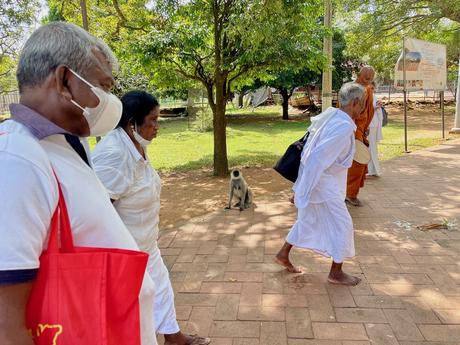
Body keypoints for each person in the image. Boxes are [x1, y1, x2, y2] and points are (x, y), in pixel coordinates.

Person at [0, 23, 157, 345]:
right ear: (64, 80)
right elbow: (7, 325)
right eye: (103, 86)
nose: (110, 101)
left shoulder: (65, 143)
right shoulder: (17, 161)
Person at [92, 91, 211, 345]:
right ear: (131, 123)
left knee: (161, 289)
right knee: (140, 308)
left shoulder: (135, 145)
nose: (157, 127)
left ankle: (173, 337)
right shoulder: (115, 154)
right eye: (152, 121)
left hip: (146, 243)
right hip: (126, 253)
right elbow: (99, 212)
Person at [274, 82, 366, 286]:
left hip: (316, 181)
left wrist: (301, 187)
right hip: (324, 186)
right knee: (343, 225)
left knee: (307, 219)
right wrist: (301, 190)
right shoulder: (342, 127)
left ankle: (283, 253)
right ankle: (336, 272)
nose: (363, 109)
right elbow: (316, 158)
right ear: (355, 102)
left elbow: (310, 151)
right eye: (363, 104)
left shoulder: (331, 116)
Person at [345, 66, 375, 207]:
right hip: (351, 128)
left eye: (371, 78)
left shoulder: (368, 89)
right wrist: (351, 131)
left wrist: (365, 128)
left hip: (361, 130)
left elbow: (368, 112)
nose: (368, 80)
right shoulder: (351, 89)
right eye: (365, 77)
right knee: (357, 162)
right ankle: (349, 194)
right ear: (358, 75)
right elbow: (347, 110)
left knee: (359, 162)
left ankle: (350, 192)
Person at [367, 82, 383, 177]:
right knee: (367, 148)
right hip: (367, 125)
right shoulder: (364, 97)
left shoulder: (374, 97)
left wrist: (378, 107)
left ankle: (374, 170)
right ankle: (369, 170)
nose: (371, 90)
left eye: (373, 88)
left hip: (373, 125)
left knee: (372, 147)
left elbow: (375, 109)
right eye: (370, 88)